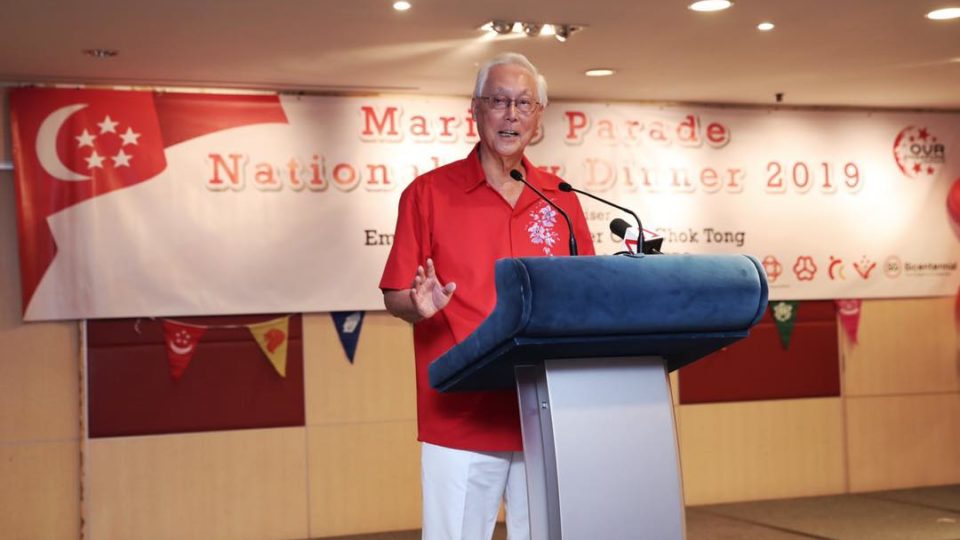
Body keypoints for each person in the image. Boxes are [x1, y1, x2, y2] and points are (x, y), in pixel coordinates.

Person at [379, 52, 595, 540]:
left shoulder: (561, 199)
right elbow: (396, 293)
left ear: (539, 116)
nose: (511, 114)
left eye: (523, 103)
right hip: (460, 416)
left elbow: (587, 296)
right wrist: (416, 305)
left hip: (545, 413)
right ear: (475, 110)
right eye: (498, 101)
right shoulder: (427, 194)